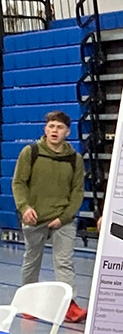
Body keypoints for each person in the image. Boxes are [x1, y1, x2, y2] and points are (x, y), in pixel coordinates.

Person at [11, 110, 87, 322]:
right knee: (32, 260)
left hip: (64, 220)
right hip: (34, 218)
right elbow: (18, 183)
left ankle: (69, 305)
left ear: (67, 132)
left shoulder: (75, 159)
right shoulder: (31, 152)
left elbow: (77, 192)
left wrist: (63, 218)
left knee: (64, 263)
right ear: (45, 129)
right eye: (51, 126)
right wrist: (25, 207)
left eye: (60, 127)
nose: (55, 131)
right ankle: (28, 302)